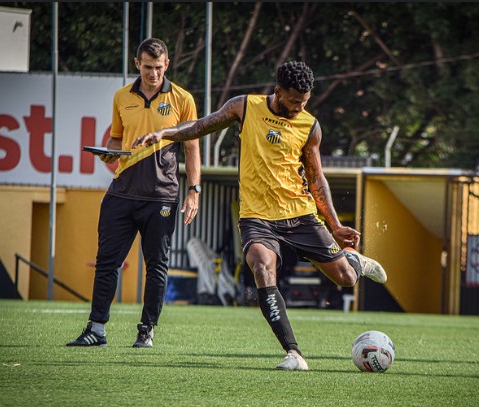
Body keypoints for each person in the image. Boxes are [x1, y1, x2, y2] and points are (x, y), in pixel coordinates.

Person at [133, 61, 387, 370]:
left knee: (346, 279)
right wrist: (164, 133)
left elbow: (317, 178)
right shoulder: (245, 106)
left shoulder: (310, 126)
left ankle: (353, 261)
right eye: (294, 101)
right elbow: (201, 125)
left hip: (301, 215)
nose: (298, 107)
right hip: (257, 217)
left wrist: (334, 225)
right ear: (278, 91)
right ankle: (293, 353)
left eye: (304, 102)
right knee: (261, 266)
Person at [67, 38, 201, 348]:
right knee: (106, 262)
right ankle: (96, 330)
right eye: (148, 67)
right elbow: (116, 140)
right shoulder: (121, 96)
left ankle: (146, 331)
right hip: (122, 192)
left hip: (162, 195)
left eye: (159, 67)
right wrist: (109, 153)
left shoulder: (183, 99)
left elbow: (192, 148)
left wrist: (194, 191)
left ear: (166, 65)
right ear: (137, 64)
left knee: (156, 265)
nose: (153, 73)